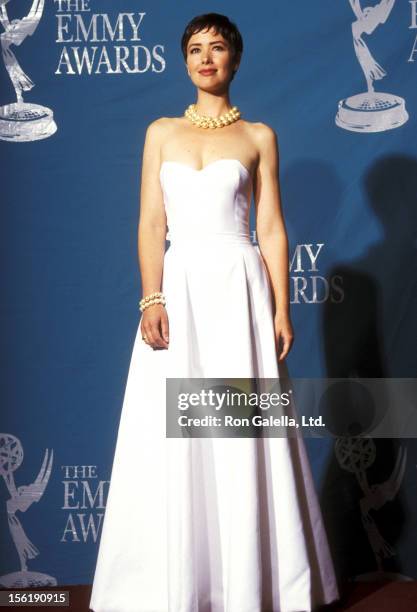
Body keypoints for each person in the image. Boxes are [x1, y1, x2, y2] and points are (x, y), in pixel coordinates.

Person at [89, 13, 340, 612]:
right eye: (195, 49)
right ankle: (171, 582)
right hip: (180, 286)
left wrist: (280, 308)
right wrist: (151, 295)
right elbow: (152, 221)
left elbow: (272, 228)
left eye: (217, 47)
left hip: (239, 291)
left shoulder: (258, 137)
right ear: (184, 61)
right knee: (170, 429)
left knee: (241, 432)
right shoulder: (161, 133)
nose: (206, 57)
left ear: (235, 58)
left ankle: (251, 582)